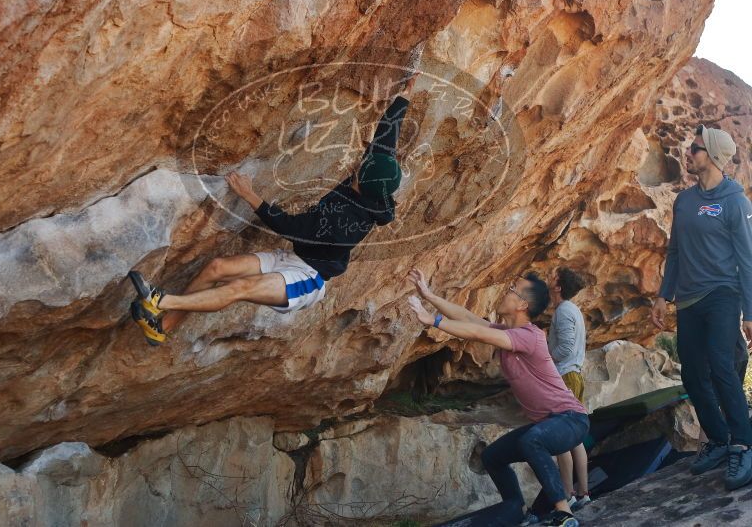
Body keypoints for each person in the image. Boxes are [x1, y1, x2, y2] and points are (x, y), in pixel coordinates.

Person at [128, 74, 418, 345]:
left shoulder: (347, 224)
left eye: (358, 170)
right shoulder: (375, 183)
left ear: (362, 182)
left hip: (307, 279)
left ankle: (160, 301)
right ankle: (161, 330)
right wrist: (404, 97)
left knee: (240, 288)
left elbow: (289, 227)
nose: (355, 167)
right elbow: (384, 140)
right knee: (217, 268)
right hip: (292, 257)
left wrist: (249, 194)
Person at [408, 268, 587, 527]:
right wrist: (429, 295)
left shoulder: (530, 336)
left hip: (571, 420)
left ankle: (565, 513)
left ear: (523, 304)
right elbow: (469, 318)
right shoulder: (508, 333)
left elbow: (478, 333)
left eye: (513, 290)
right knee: (493, 457)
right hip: (550, 423)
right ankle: (520, 511)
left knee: (532, 440)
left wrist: (432, 320)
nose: (507, 291)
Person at [650, 124, 752, 490]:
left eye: (695, 148)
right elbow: (674, 252)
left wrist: (750, 314)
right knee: (693, 375)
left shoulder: (736, 201)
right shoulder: (685, 201)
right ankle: (720, 439)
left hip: (724, 294)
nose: (688, 153)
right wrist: (663, 295)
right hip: (689, 299)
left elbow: (747, 259)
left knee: (722, 366)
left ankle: (744, 443)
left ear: (712, 156)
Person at [548, 267, 589, 510]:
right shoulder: (570, 310)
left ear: (558, 287)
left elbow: (565, 348)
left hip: (565, 376)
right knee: (575, 437)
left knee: (562, 437)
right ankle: (583, 493)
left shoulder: (563, 311)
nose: (548, 277)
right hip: (573, 375)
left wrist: (544, 357)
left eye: (552, 276)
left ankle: (567, 494)